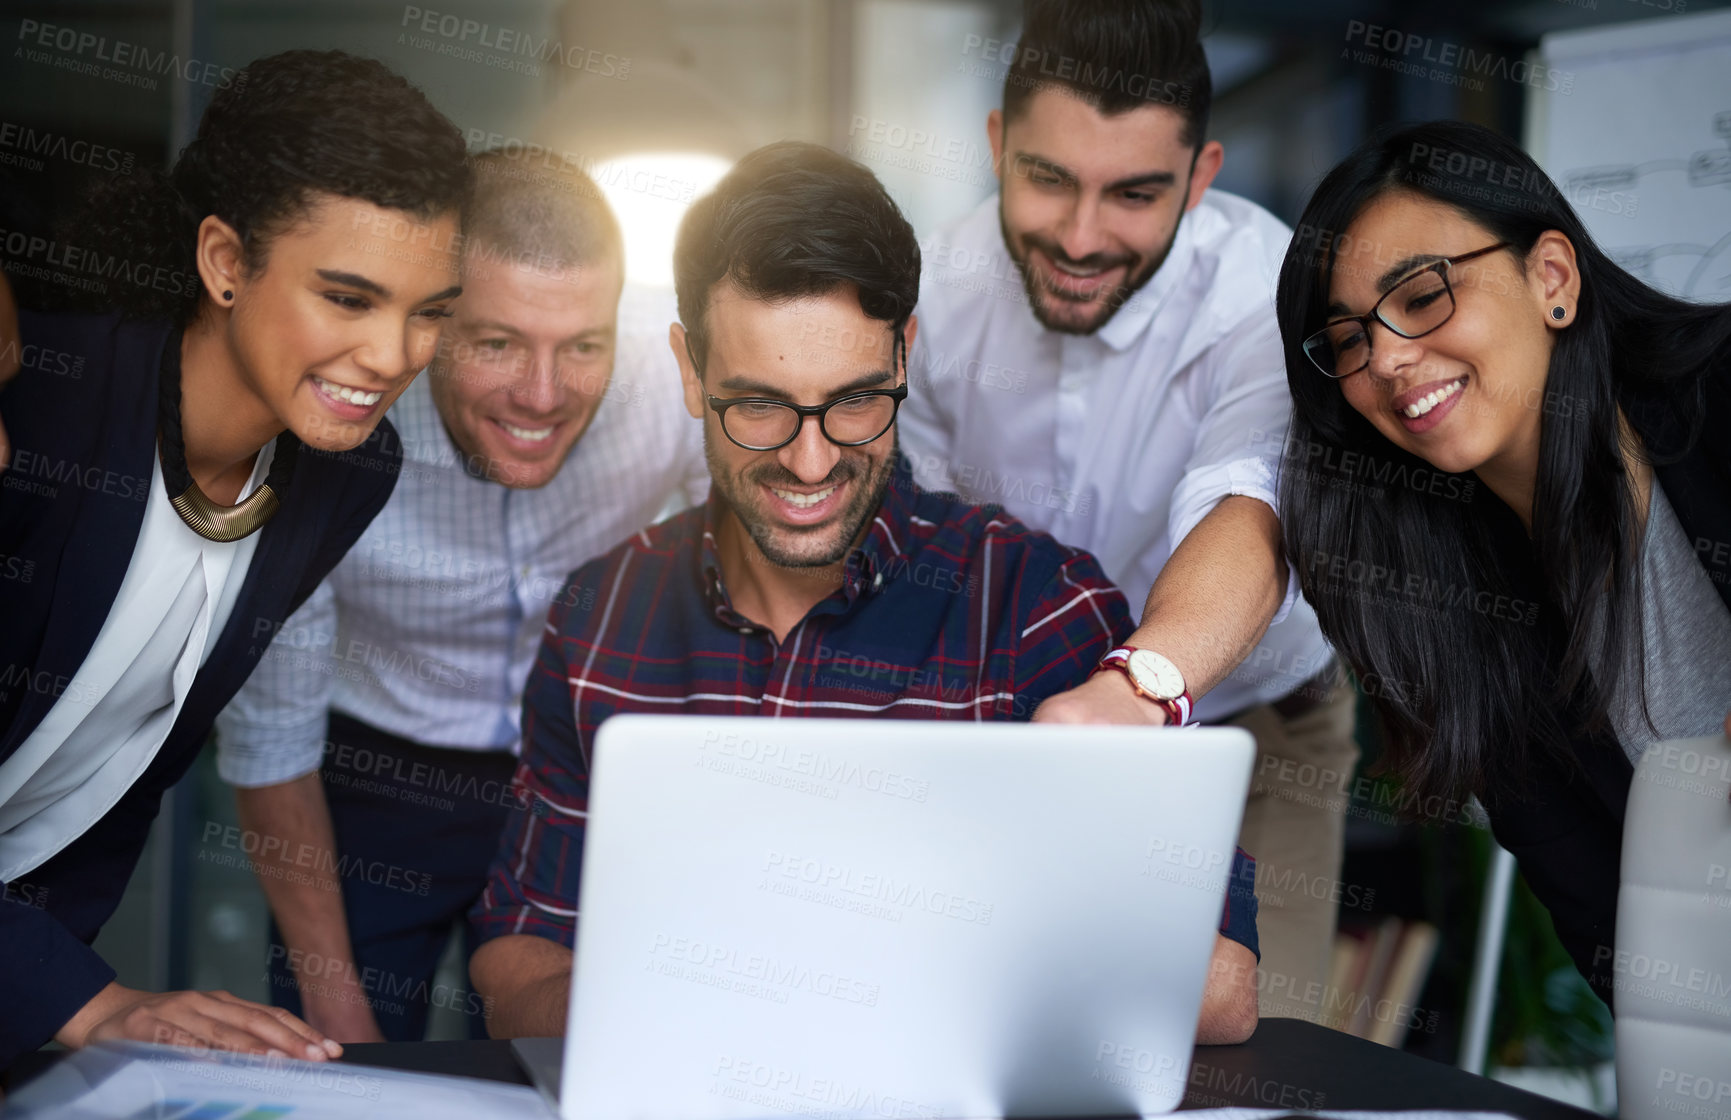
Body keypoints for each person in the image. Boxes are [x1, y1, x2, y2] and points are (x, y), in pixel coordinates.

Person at [466, 141, 1261, 1044]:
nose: (810, 463)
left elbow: (1217, 988)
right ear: (689, 371)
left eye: (852, 402)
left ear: (905, 354)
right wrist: (649, 1007)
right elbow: (520, 943)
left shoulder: (1039, 607)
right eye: (757, 405)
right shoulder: (600, 613)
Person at [0, 49, 468, 1065]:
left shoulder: (349, 470)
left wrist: (51, 1007)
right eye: (348, 299)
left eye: (428, 310)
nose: (394, 357)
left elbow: (125, 761)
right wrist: (78, 1000)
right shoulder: (35, 410)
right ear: (224, 261)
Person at [899, 0, 1354, 1021]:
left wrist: (1137, 687)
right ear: (995, 146)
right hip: (1006, 716)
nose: (1079, 235)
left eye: (1135, 194)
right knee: (993, 1025)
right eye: (1047, 178)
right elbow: (916, 534)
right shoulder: (937, 283)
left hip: (1251, 721)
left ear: (1202, 176)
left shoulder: (1267, 298)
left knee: (1258, 1052)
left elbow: (1250, 514)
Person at [213, 151, 706, 1043]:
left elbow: (753, 567)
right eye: (496, 343)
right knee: (334, 1071)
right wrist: (336, 1008)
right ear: (435, 315)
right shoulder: (336, 418)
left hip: (584, 771)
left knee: (573, 1070)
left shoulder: (670, 370)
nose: (542, 395)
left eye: (581, 347)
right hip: (371, 778)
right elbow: (270, 731)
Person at [1274, 118, 1731, 1006]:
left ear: (1551, 277)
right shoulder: (1456, 618)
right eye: (1348, 340)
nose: (1390, 361)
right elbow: (1618, 948)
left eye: (1421, 295)